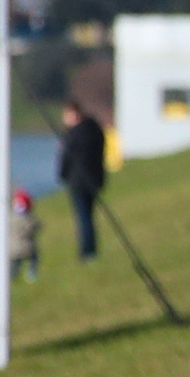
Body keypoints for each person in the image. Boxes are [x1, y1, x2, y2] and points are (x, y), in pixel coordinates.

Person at [55, 96, 109, 261]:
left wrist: (62, 175)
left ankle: (87, 252)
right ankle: (90, 250)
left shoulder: (73, 135)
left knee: (83, 217)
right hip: (94, 179)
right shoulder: (95, 130)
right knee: (89, 217)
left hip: (79, 181)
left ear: (73, 114)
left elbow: (66, 159)